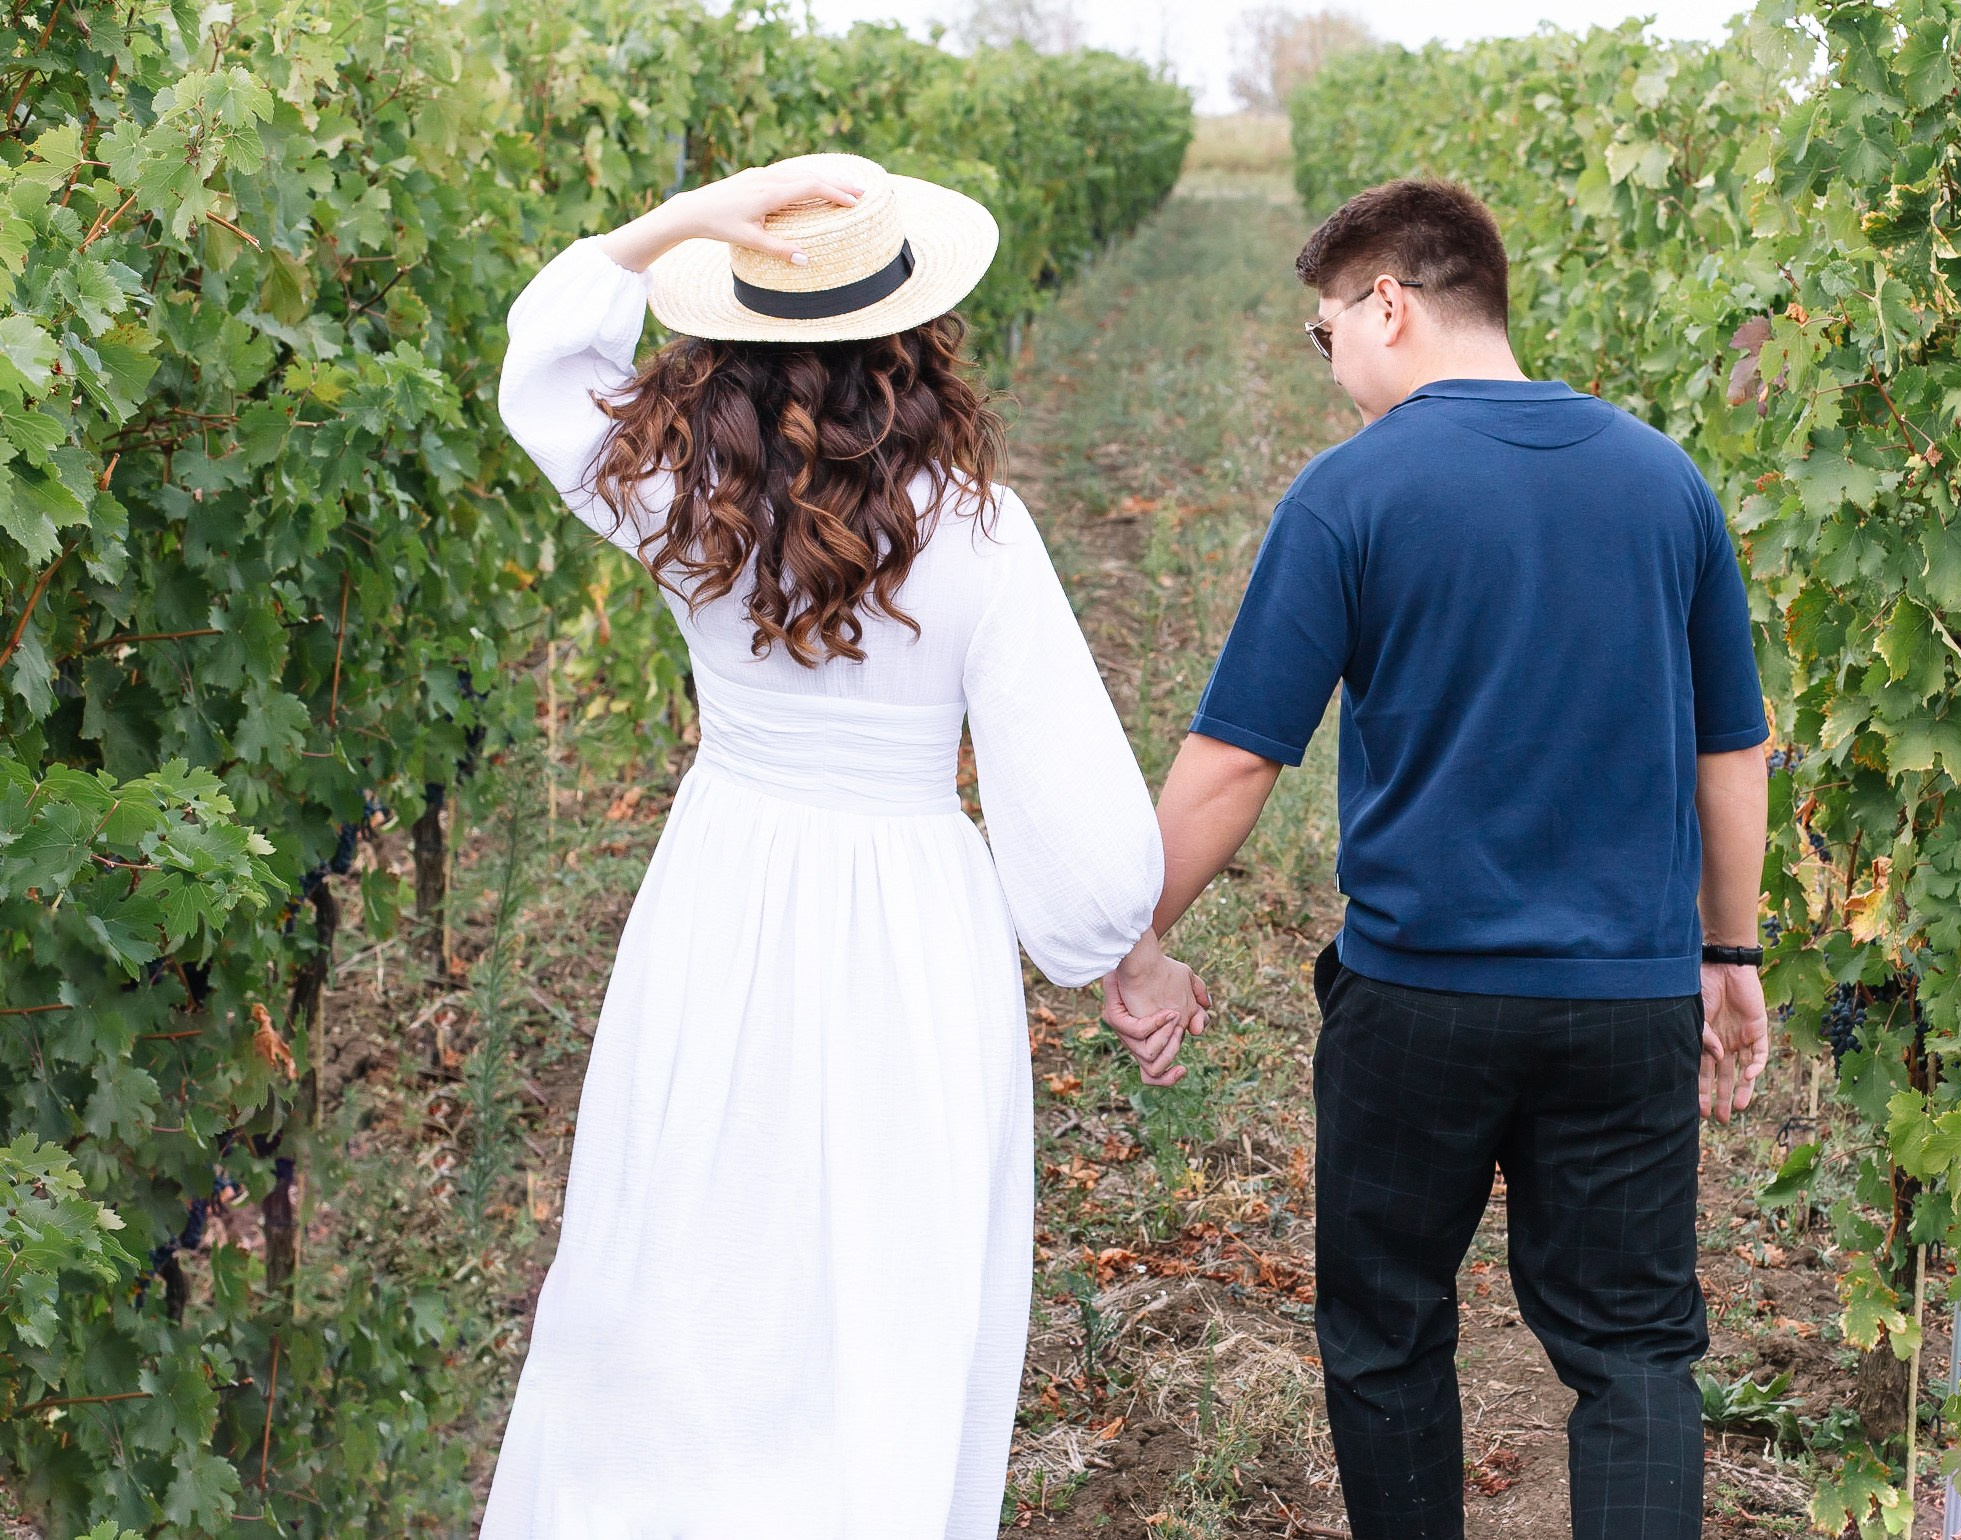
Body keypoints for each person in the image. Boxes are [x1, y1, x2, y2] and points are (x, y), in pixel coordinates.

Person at [482, 152, 1200, 1537]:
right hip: (908, 920)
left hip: (723, 885)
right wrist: (1134, 957)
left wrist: (683, 221)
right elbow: (1068, 807)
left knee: (685, 1252)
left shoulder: (683, 494)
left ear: (727, 339)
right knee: (885, 1280)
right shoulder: (979, 535)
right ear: (915, 341)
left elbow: (546, 362)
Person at [1104, 178, 1772, 1539]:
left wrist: (1135, 933)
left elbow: (1236, 762)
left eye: (1325, 331)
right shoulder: (1666, 482)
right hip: (1624, 1004)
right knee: (1635, 1350)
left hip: (1418, 1005)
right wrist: (1728, 949)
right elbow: (1731, 748)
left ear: (1388, 304)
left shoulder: (1350, 494)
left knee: (1388, 1332)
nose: (1330, 360)